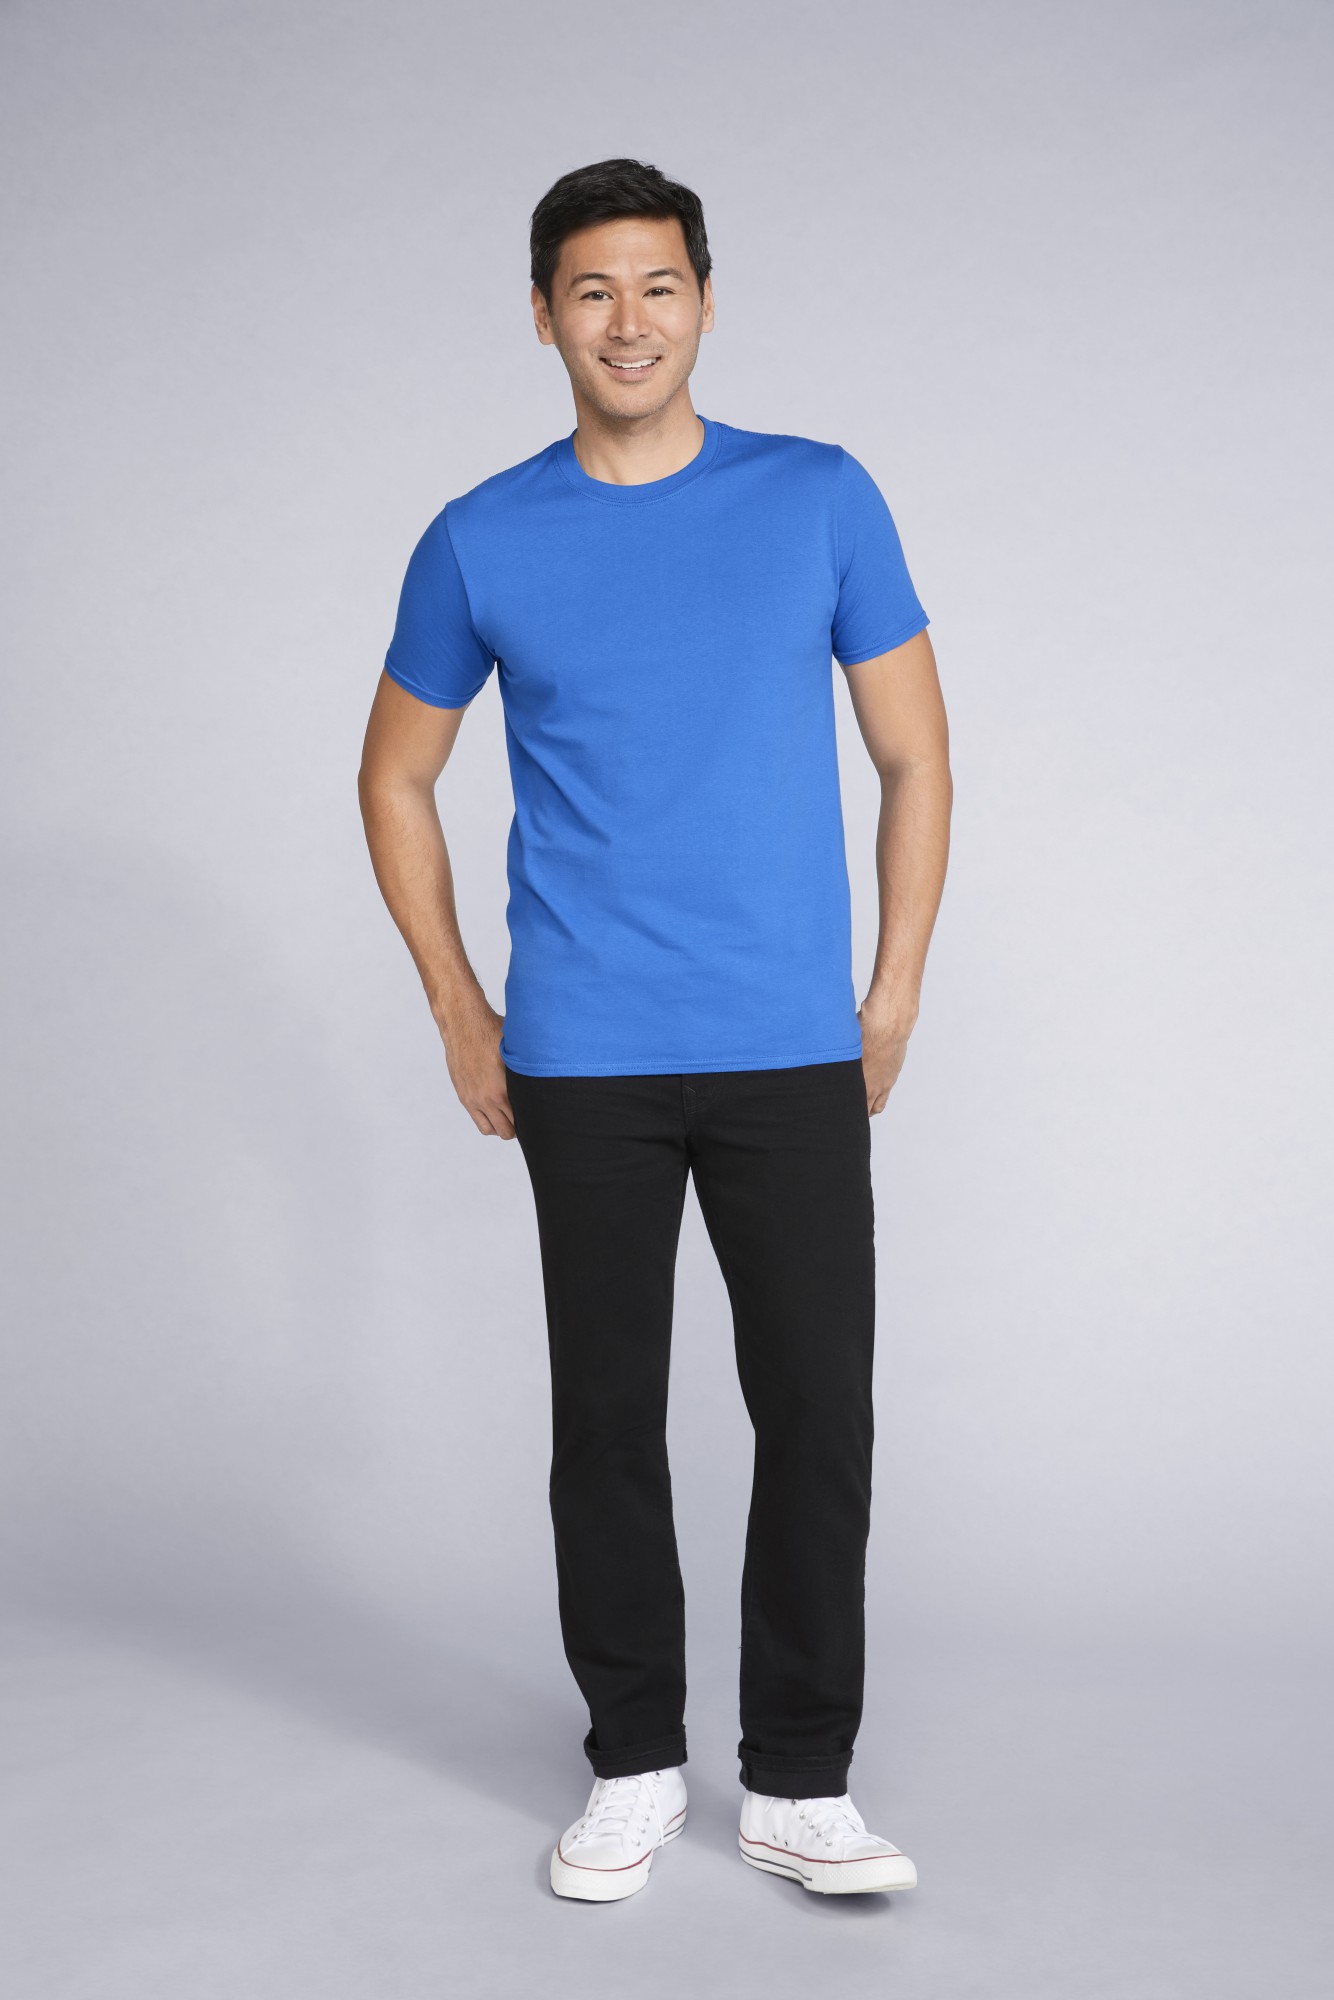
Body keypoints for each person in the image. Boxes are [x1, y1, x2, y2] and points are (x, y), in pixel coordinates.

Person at [357, 157, 952, 1902]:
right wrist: (460, 1010)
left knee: (816, 1410)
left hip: (786, 1043)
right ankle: (631, 1763)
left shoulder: (817, 496)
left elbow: (915, 754)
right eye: (593, 291)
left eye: (659, 285)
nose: (629, 321)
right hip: (585, 1054)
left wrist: (893, 992)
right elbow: (395, 775)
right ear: (544, 316)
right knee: (606, 1421)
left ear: (704, 300)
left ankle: (800, 1782)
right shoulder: (480, 536)